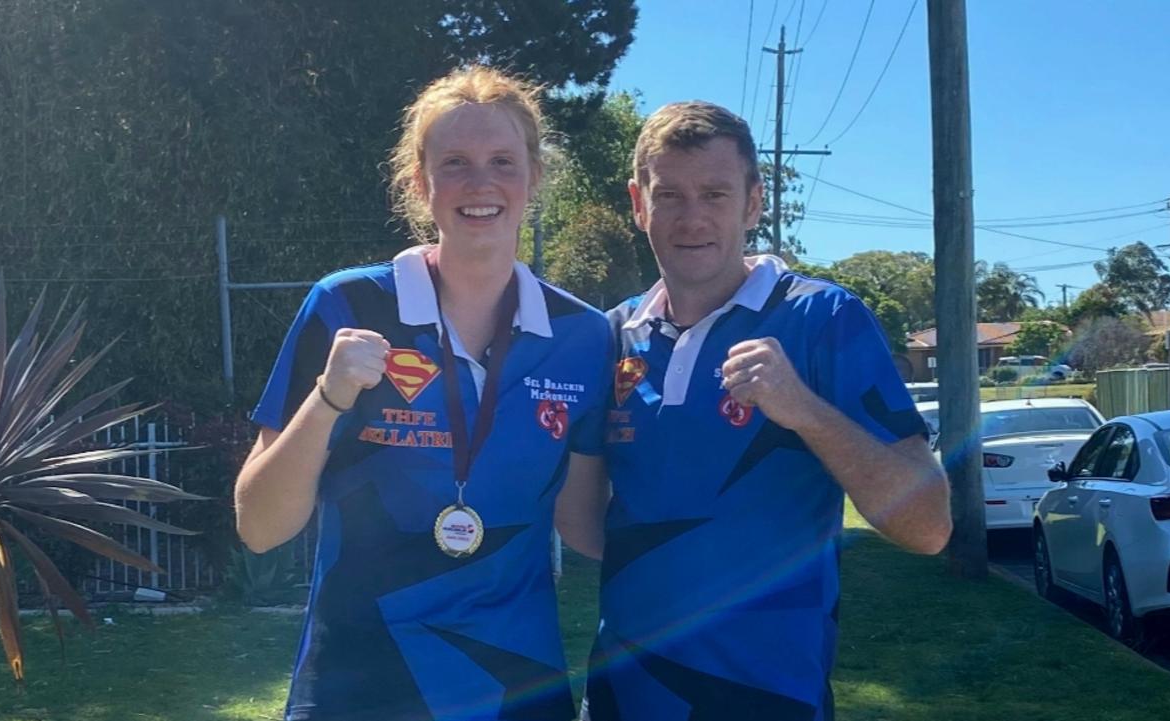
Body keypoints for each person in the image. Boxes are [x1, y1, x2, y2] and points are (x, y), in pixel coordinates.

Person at [235, 66, 612, 721]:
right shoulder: (346, 304)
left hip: (515, 693)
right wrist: (329, 397)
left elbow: (585, 526)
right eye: (456, 162)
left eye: (502, 160)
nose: (481, 183)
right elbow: (260, 525)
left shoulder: (583, 336)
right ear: (419, 180)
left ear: (534, 177)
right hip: (356, 693)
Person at [555, 101, 952, 721]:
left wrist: (804, 411)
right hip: (624, 699)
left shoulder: (824, 319)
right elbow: (581, 529)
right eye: (670, 195)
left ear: (753, 202)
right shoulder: (612, 335)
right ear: (638, 204)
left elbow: (928, 527)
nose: (692, 218)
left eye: (715, 193)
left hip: (770, 700)